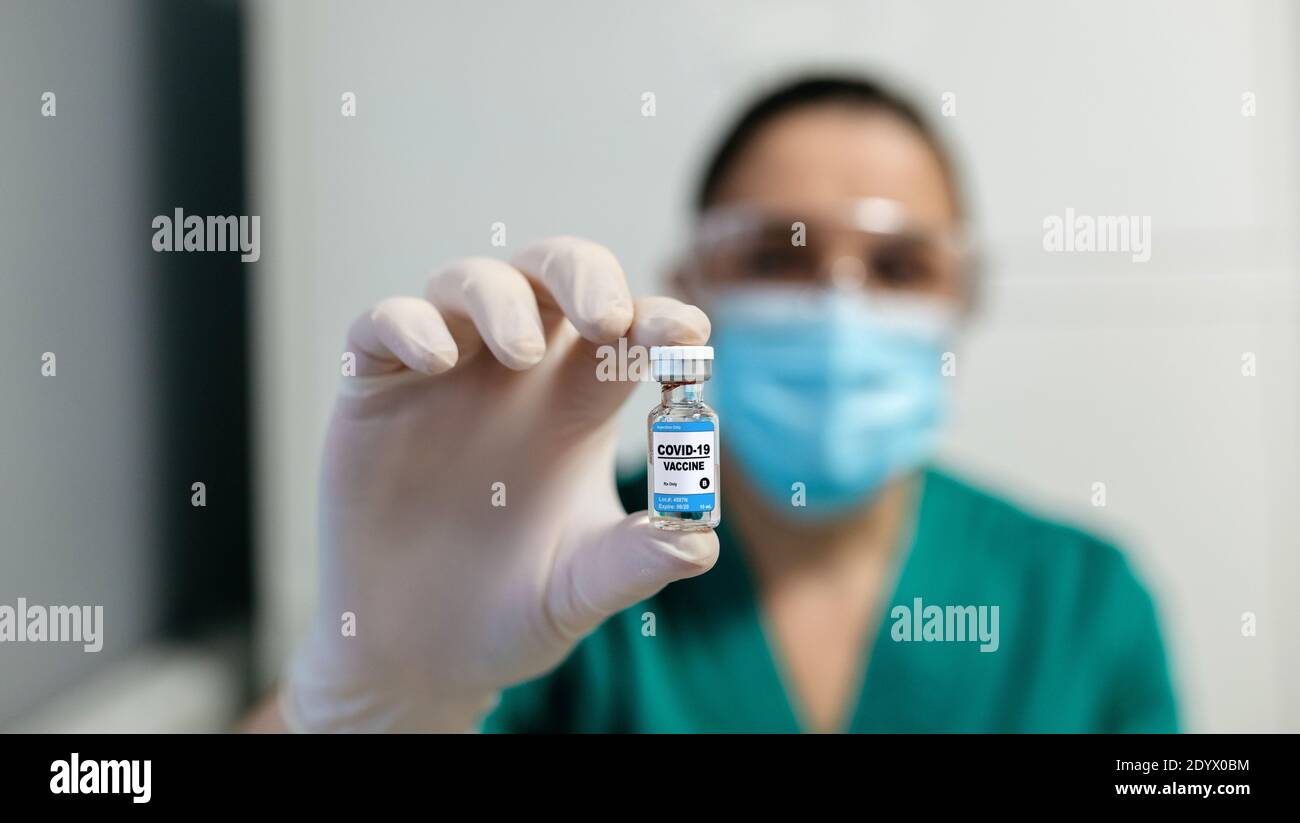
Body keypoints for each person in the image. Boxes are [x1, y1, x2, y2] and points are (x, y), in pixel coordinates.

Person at [248, 75, 1178, 733]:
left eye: (899, 266)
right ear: (691, 287)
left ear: (962, 298)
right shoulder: (552, 560)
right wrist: (375, 703)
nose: (840, 307)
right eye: (779, 256)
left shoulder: (1083, 601)